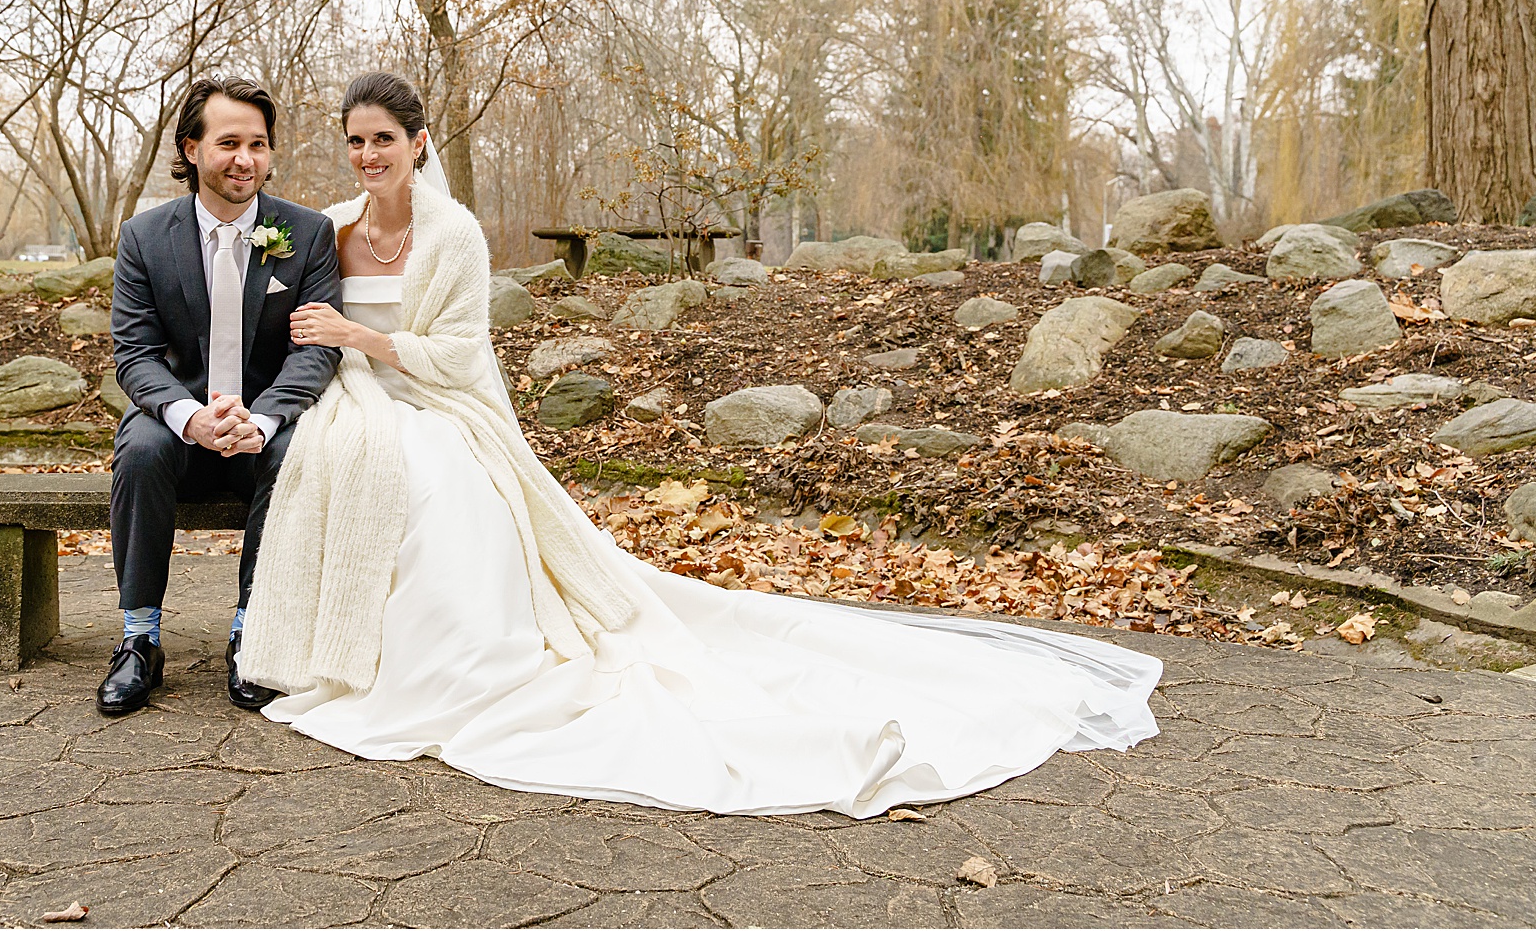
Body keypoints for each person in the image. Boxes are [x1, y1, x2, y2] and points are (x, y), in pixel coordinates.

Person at [236, 71, 1163, 816]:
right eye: (355, 141)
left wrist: (365, 340)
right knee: (351, 459)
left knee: (438, 480)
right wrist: (334, 369)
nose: (367, 156)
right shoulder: (327, 226)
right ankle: (341, 645)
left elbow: (460, 352)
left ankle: (448, 668)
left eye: (383, 141)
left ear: (418, 142)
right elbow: (292, 321)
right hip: (358, 399)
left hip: (444, 402)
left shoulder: (457, 235)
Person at [100, 75, 341, 715]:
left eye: (258, 144)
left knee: (297, 455)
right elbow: (135, 353)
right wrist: (188, 416)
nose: (246, 159)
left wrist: (262, 420)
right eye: (229, 142)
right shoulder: (145, 236)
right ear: (190, 149)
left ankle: (251, 634)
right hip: (177, 417)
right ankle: (139, 640)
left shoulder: (308, 233)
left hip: (266, 419)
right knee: (141, 452)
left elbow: (315, 349)